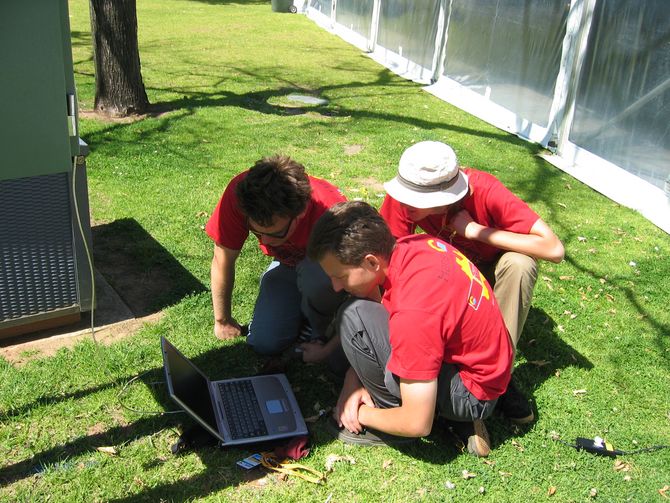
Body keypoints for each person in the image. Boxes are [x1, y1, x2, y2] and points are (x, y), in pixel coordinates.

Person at [308, 201, 513, 457]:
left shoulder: (414, 313)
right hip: (485, 366)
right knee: (350, 333)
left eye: (340, 276)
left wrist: (359, 412)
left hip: (472, 392)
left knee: (353, 316)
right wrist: (354, 379)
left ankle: (392, 420)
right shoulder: (412, 245)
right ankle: (443, 410)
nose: (335, 286)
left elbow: (417, 423)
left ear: (372, 262)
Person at [380, 141, 564, 424]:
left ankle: (499, 373)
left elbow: (554, 249)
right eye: (406, 194)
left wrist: (477, 231)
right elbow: (389, 254)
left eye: (417, 199)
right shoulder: (406, 196)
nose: (406, 204)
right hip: (446, 277)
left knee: (520, 263)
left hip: (488, 274)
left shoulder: (485, 190)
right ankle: (454, 375)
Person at [205, 155, 348, 362]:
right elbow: (222, 260)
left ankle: (320, 324)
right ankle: (304, 311)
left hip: (329, 270)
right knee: (265, 342)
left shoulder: (333, 213)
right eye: (256, 231)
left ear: (300, 213)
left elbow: (361, 282)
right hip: (288, 266)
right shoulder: (240, 195)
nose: (265, 241)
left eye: (275, 233)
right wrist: (222, 319)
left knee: (314, 276)